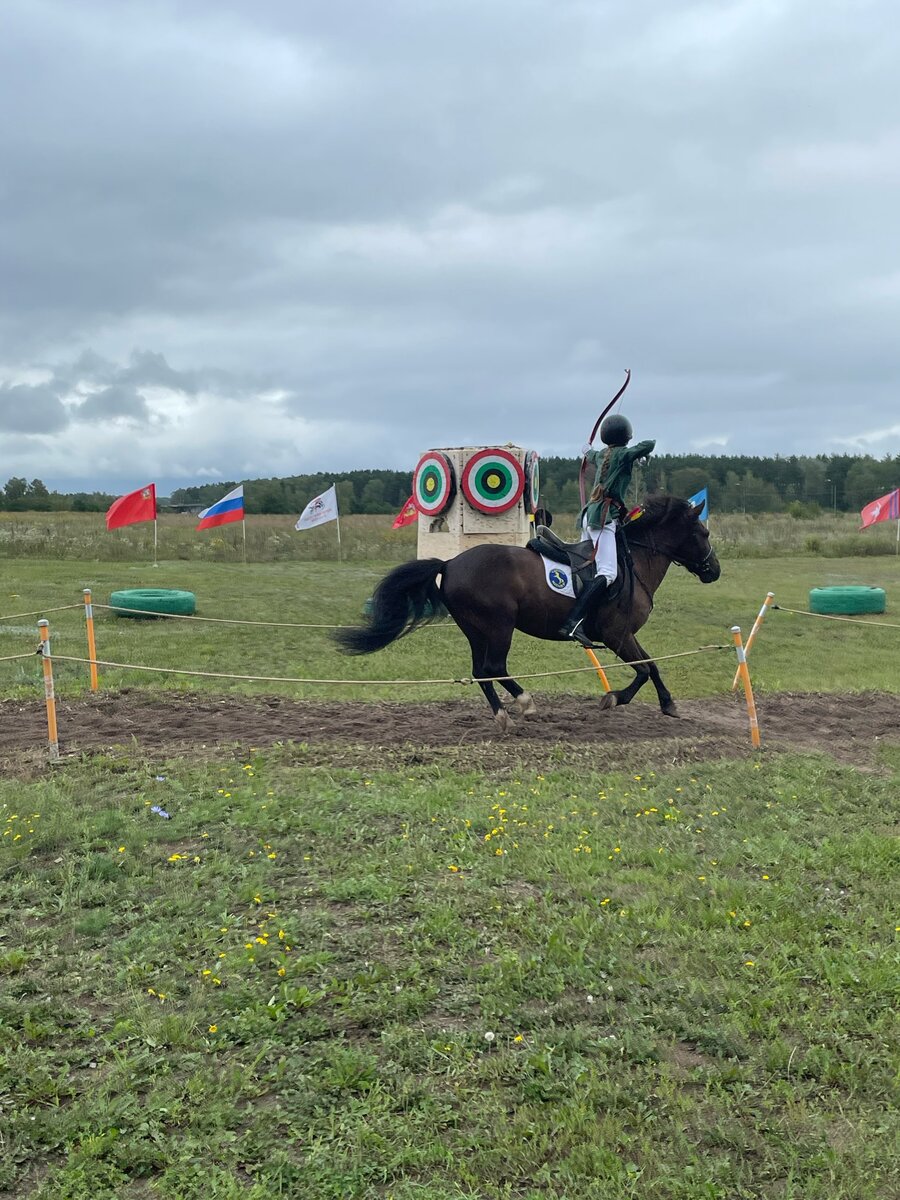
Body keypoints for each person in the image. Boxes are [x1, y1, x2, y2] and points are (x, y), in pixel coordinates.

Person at [558, 413, 655, 646]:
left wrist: (586, 448)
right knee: (608, 572)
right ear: (626, 436)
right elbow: (649, 444)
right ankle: (573, 622)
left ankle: (589, 614)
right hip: (602, 518)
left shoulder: (600, 454)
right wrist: (636, 455)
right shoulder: (623, 453)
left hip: (590, 515)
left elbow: (589, 454)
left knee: (589, 567)